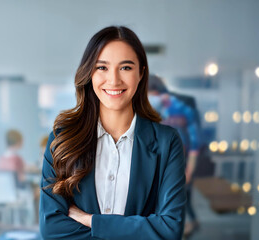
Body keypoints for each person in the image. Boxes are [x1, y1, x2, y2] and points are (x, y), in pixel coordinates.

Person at [40, 26, 186, 239]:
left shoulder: (166, 142)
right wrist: (139, 230)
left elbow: (170, 230)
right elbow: (52, 230)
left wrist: (92, 221)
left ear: (141, 73)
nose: (114, 80)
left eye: (125, 68)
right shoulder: (62, 140)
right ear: (90, 73)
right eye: (102, 68)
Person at [148, 74, 201, 237]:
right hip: (157, 161)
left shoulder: (182, 109)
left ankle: (189, 224)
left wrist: (190, 170)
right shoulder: (148, 111)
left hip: (180, 160)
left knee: (182, 197)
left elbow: (195, 141)